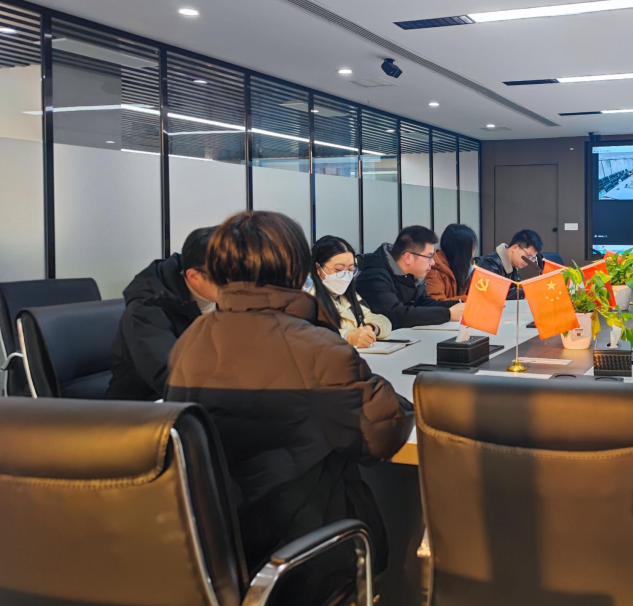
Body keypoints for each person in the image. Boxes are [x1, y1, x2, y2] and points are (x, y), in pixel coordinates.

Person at [165, 211, 414, 588]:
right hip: (308, 550)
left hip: (215, 554)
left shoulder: (191, 339)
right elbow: (383, 433)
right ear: (298, 270)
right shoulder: (313, 345)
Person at [106, 227, 219, 401]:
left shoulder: (229, 297)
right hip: (145, 406)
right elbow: (174, 380)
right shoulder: (145, 311)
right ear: (194, 276)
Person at [357, 225, 464, 328]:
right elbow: (396, 315)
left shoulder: (413, 275)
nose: (433, 263)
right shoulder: (374, 276)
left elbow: (425, 303)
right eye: (429, 257)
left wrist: (461, 305)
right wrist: (448, 314)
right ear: (408, 257)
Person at [306, 235, 391, 347]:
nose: (345, 275)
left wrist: (370, 328)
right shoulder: (305, 294)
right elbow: (305, 332)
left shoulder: (346, 294)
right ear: (318, 268)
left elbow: (380, 319)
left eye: (350, 269)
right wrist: (347, 337)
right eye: (339, 270)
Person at [474, 229, 543, 300]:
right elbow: (496, 293)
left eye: (532, 258)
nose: (529, 261)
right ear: (515, 248)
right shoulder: (488, 264)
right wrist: (529, 291)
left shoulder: (513, 266)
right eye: (528, 256)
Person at [427, 223, 478, 302]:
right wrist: (467, 299)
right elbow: (436, 304)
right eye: (471, 248)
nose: (473, 254)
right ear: (461, 251)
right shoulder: (434, 271)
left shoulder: (459, 266)